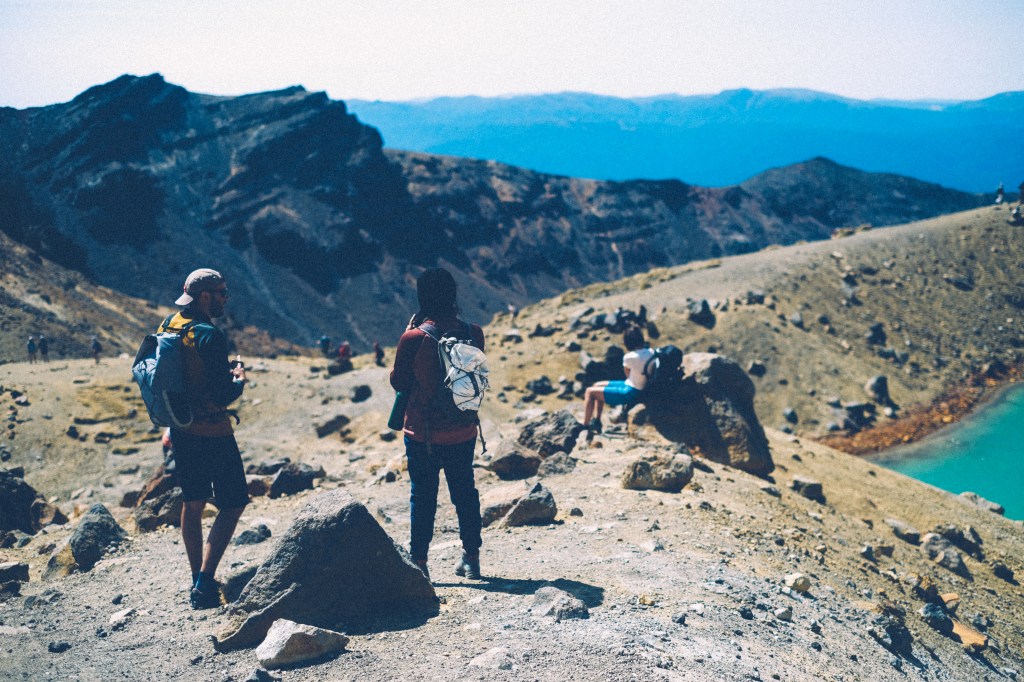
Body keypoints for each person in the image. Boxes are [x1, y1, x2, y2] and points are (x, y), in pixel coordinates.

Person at [159, 268, 248, 609]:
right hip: (213, 430)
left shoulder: (170, 325)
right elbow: (223, 393)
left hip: (182, 428)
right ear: (206, 296)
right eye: (222, 292)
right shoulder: (209, 334)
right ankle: (205, 581)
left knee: (192, 501)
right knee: (234, 501)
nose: (226, 298)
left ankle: (196, 578)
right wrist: (238, 378)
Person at [390, 268, 484, 581]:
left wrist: (408, 334)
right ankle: (471, 558)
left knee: (423, 496)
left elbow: (399, 382)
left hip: (424, 433)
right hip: (463, 429)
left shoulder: (414, 338)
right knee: (465, 492)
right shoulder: (474, 333)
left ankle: (420, 563)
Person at [582, 326, 654, 435]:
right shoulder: (651, 352)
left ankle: (585, 426)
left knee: (589, 392)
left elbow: (627, 374)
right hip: (637, 386)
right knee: (597, 385)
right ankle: (597, 421)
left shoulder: (629, 357)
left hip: (630, 392)